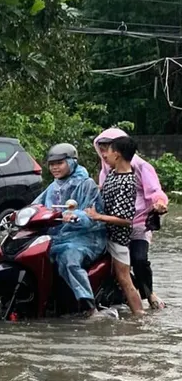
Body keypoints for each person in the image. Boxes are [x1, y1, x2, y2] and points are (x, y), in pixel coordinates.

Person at [94, 127, 169, 310]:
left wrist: (159, 203)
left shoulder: (139, 168)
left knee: (139, 260)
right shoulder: (107, 171)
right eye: (101, 148)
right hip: (111, 225)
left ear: (118, 150)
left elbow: (155, 191)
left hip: (136, 224)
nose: (104, 153)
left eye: (108, 148)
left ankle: (149, 295)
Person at [31, 143, 107, 315]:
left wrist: (75, 215)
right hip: (60, 236)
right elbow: (37, 204)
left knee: (69, 258)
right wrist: (22, 213)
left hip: (86, 237)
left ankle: (89, 306)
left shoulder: (86, 184)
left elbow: (93, 214)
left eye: (59, 163)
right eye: (51, 164)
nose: (55, 167)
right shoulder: (54, 185)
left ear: (72, 162)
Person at [86, 136, 145, 315]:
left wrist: (98, 216)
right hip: (104, 233)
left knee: (124, 278)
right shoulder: (113, 173)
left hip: (117, 237)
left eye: (108, 152)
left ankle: (140, 317)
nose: (105, 155)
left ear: (117, 155)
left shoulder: (127, 182)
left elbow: (126, 219)